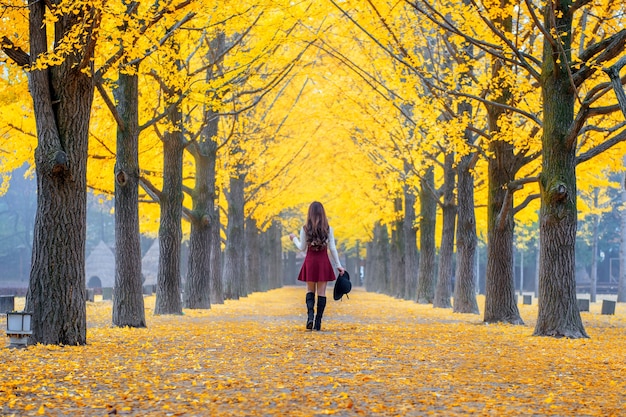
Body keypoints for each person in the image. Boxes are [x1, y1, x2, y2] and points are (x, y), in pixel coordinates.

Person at [290, 201, 345, 331]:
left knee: (310, 290)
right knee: (322, 292)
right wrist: (338, 265)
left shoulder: (305, 229)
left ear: (310, 213)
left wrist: (294, 239)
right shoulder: (328, 229)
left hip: (310, 261)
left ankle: (310, 317)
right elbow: (332, 248)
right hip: (323, 262)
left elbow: (302, 248)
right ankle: (318, 322)